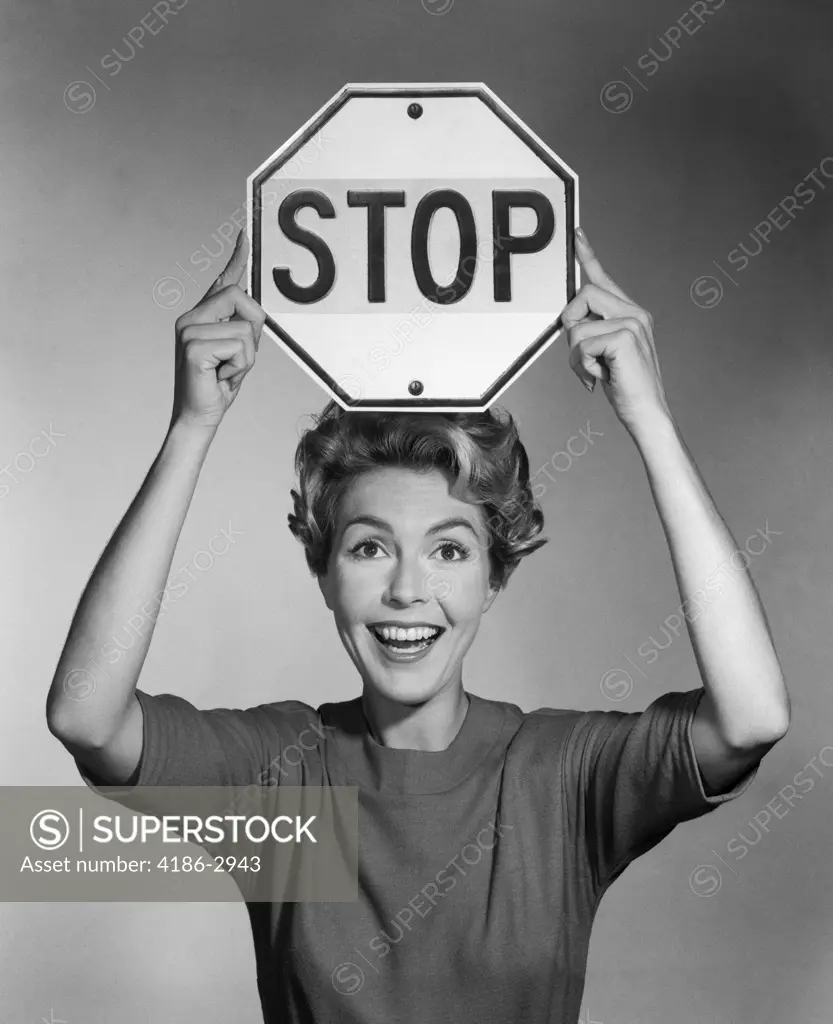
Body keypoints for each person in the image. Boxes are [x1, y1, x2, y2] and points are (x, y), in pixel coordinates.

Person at [46, 226, 791, 1024]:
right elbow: (86, 714)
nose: (407, 589)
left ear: (494, 574)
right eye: (370, 547)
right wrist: (190, 428)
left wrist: (649, 419)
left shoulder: (557, 776)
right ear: (323, 569)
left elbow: (750, 717)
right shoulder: (285, 778)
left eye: (447, 549)